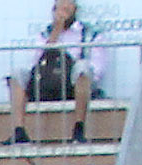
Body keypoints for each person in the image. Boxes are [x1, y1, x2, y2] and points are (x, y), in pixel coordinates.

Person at [9, 0, 100, 143]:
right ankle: (19, 131)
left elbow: (97, 69)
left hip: (73, 86)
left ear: (75, 8)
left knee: (82, 67)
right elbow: (35, 63)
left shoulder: (90, 34)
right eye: (61, 3)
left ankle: (79, 129)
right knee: (17, 74)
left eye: (69, 3)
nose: (65, 7)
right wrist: (56, 30)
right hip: (46, 83)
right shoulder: (45, 34)